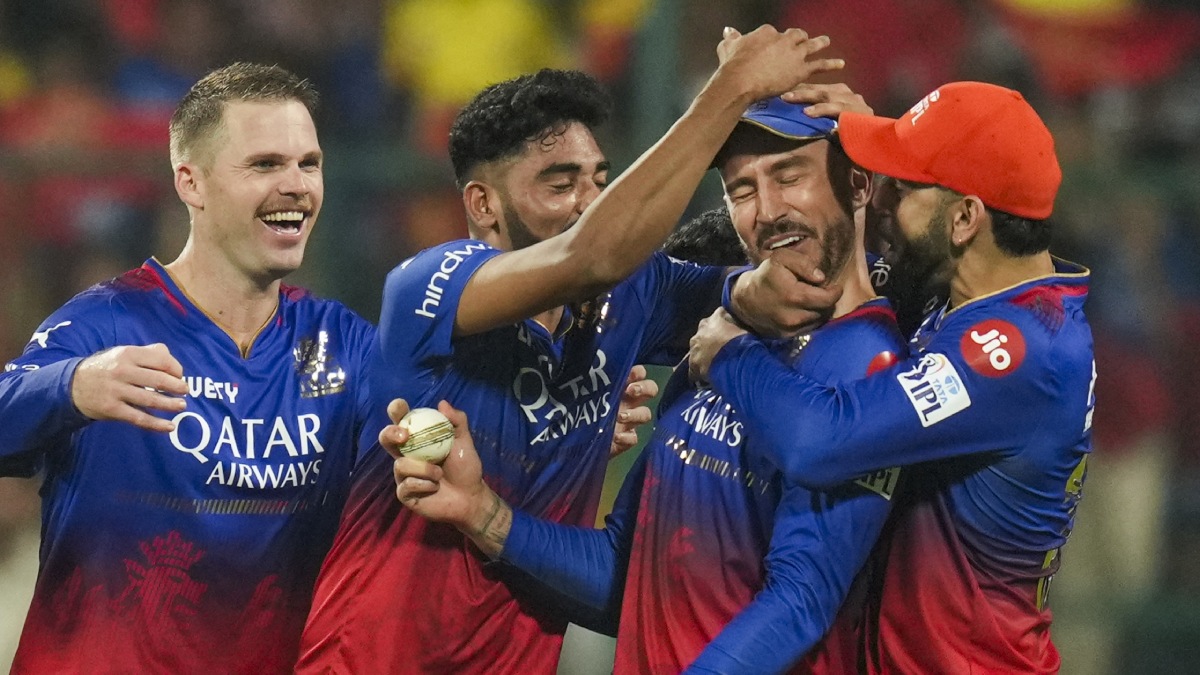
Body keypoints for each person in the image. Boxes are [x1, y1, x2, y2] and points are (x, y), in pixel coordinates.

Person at [297, 26, 844, 674]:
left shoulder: (632, 296)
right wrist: (728, 92)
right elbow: (590, 257)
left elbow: (791, 288)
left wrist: (849, 143)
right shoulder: (428, 288)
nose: (589, 202)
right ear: (484, 205)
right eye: (560, 185)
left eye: (599, 181)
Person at [385, 94, 907, 673]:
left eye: (789, 177)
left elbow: (802, 600)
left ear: (859, 186)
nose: (767, 209)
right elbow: (626, 574)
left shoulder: (872, 365)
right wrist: (484, 514)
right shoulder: (715, 348)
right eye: (741, 190)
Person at [692, 81, 1095, 673]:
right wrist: (888, 139)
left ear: (964, 219)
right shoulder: (974, 295)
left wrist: (729, 352)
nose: (880, 201)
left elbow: (822, 443)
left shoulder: (1018, 351)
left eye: (902, 189)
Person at [0, 63, 376, 673]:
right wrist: (72, 386)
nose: (296, 185)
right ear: (191, 183)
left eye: (309, 163)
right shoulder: (109, 322)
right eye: (265, 165)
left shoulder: (341, 344)